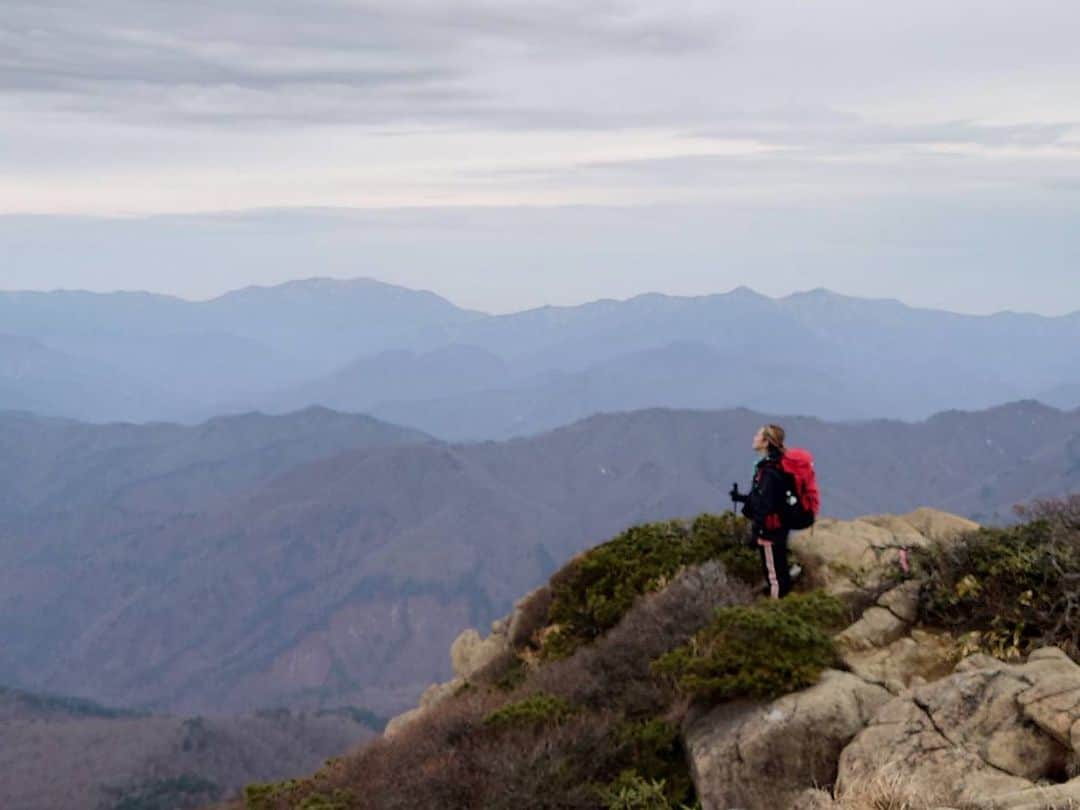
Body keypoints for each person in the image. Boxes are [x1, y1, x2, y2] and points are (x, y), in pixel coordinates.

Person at [730, 424, 793, 599]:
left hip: (770, 531)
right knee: (781, 571)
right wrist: (741, 498)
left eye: (758, 435)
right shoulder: (777, 464)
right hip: (780, 526)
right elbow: (764, 497)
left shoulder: (768, 470)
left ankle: (777, 612)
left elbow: (765, 503)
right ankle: (788, 602)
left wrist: (757, 531)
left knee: (773, 575)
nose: (754, 438)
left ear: (766, 442)